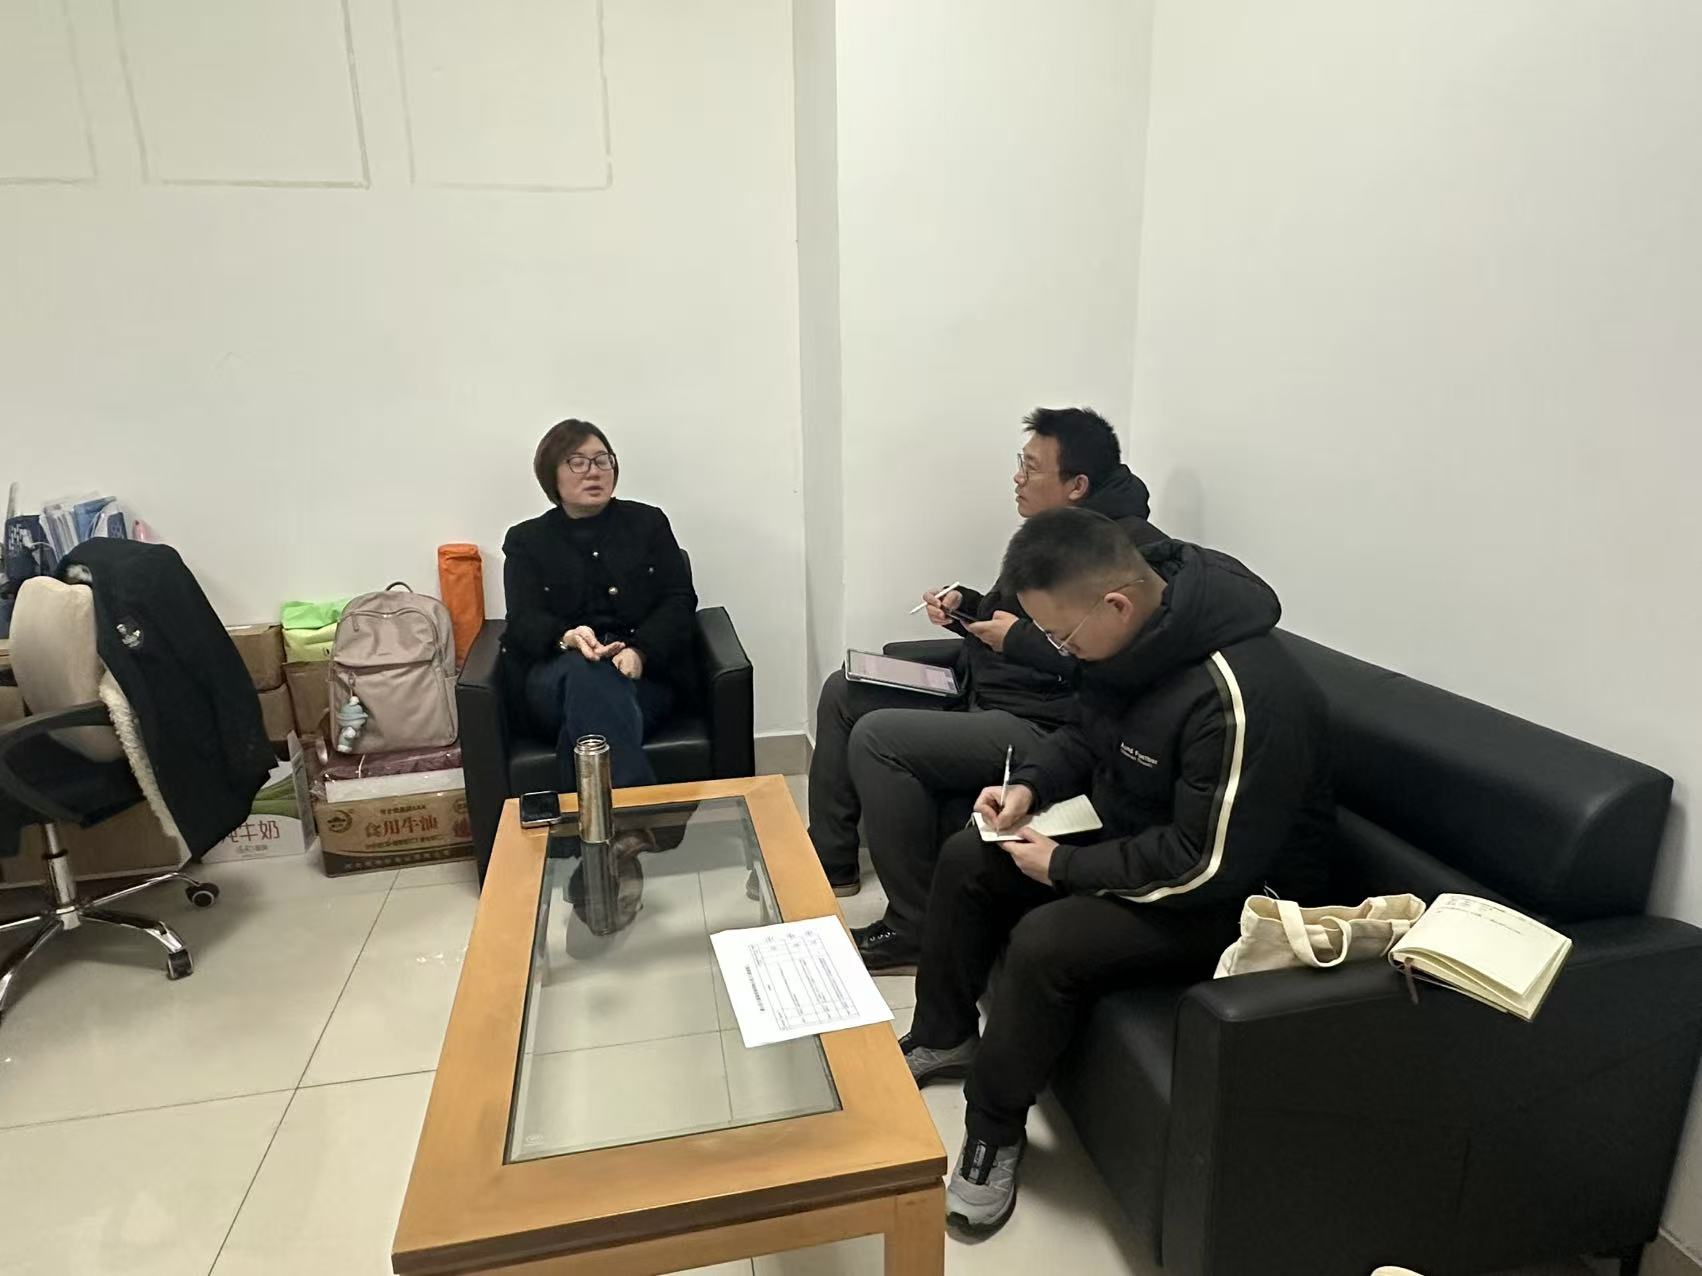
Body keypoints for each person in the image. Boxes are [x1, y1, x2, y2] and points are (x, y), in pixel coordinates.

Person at [899, 508, 1333, 1237]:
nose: (1061, 650)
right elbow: (1084, 734)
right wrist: (1028, 787)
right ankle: (944, 1032)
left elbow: (1204, 864)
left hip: (1236, 897)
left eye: (1063, 636)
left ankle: (993, 1130)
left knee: (1049, 940)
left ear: (1117, 605)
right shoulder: (1127, 646)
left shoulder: (1240, 696)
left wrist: (1064, 865)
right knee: (970, 853)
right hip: (1151, 841)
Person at [807, 409, 1161, 956]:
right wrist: (966, 608)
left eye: (1031, 467)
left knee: (878, 738)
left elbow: (1103, 664)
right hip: (985, 684)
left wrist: (1017, 641)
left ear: (1077, 485)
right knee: (843, 689)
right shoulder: (1054, 531)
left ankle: (915, 925)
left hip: (1042, 721)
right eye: (1021, 462)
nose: (1017, 478)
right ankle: (829, 865)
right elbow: (1017, 618)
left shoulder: (1118, 553)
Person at [502, 419, 696, 790]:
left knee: (583, 725)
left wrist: (640, 652)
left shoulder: (649, 524)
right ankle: (634, 806)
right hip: (556, 676)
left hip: (642, 678)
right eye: (577, 462)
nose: (594, 472)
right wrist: (568, 638)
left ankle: (595, 823)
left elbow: (679, 600)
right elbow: (524, 619)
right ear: (551, 474)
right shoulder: (527, 541)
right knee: (586, 673)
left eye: (602, 460)